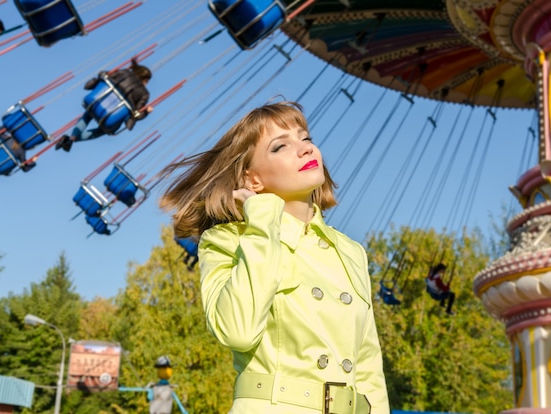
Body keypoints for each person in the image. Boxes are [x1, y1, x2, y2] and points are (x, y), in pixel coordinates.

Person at [159, 101, 390, 413]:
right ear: (253, 180)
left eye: (306, 139)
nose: (305, 149)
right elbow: (237, 331)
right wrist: (262, 221)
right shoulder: (227, 241)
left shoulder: (351, 252)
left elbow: (368, 366)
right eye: (280, 146)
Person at [55, 58, 154, 152]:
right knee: (103, 130)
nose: (146, 84)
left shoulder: (124, 72)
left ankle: (71, 138)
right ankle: (71, 140)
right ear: (143, 78)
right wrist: (146, 112)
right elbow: (136, 114)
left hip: (95, 102)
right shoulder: (145, 94)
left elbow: (104, 74)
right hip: (110, 118)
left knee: (88, 114)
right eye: (146, 81)